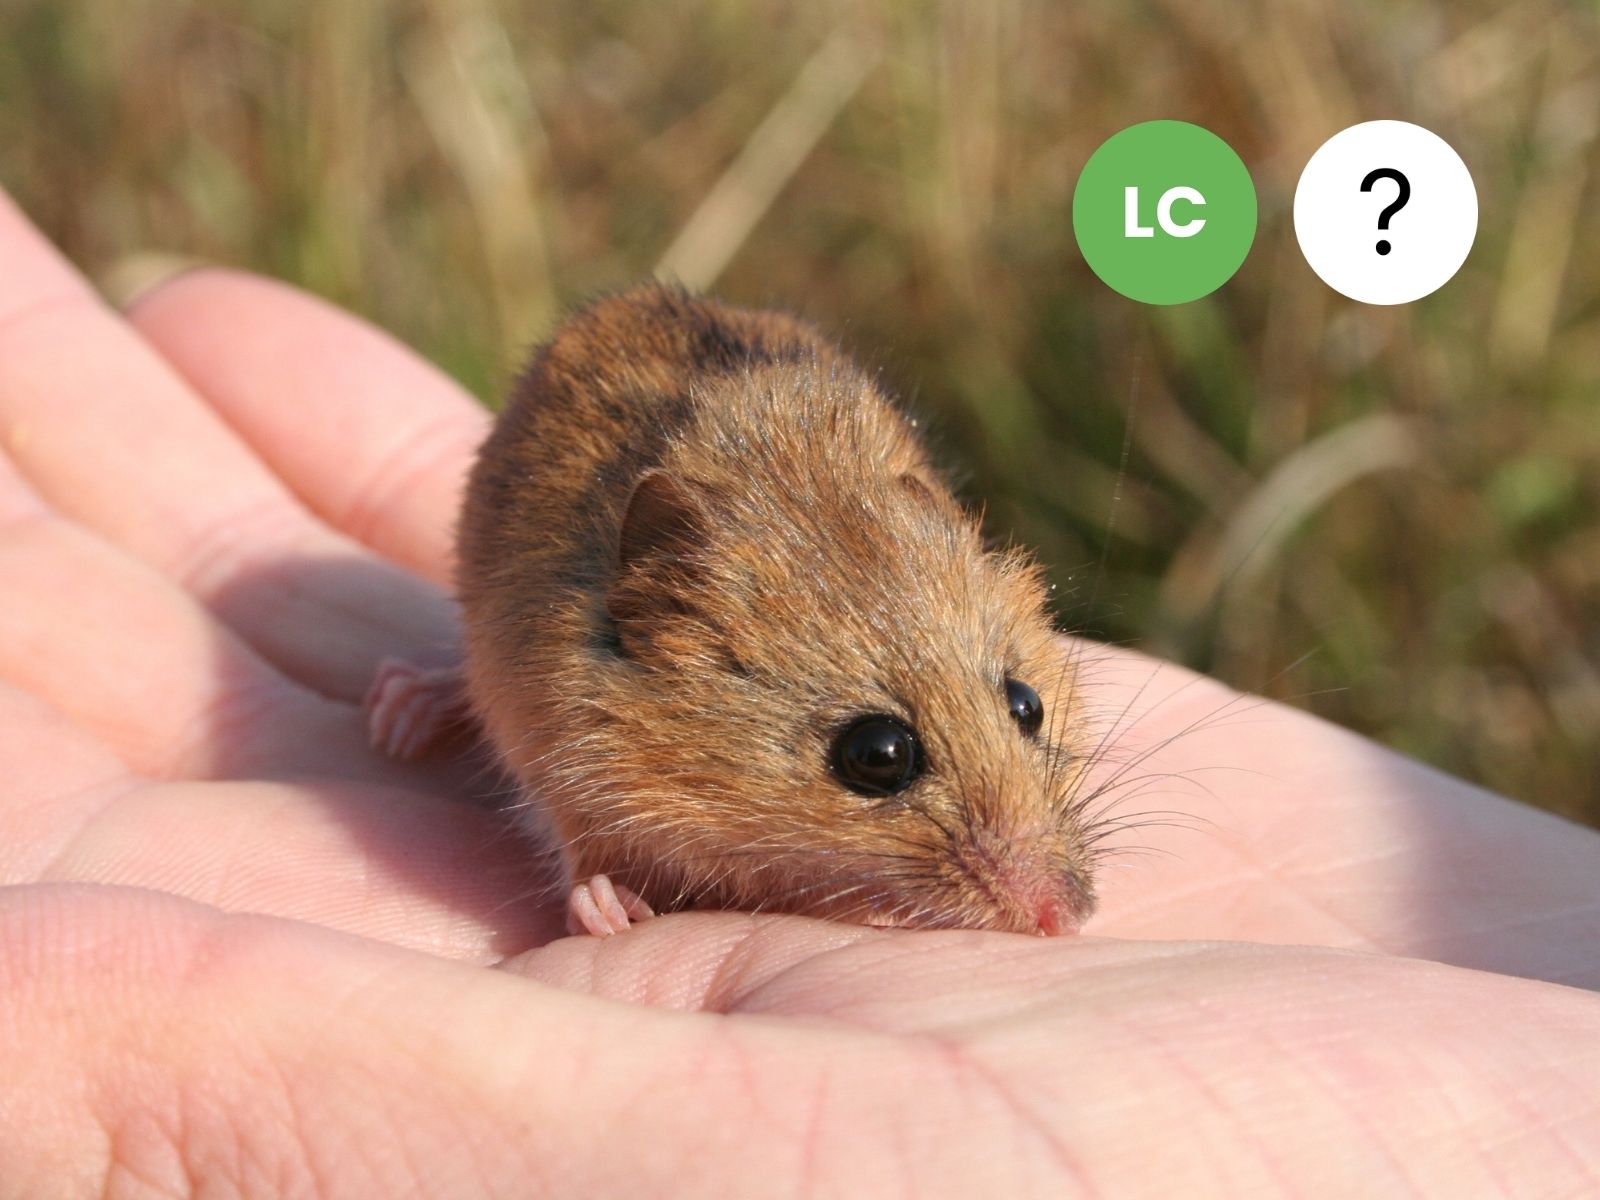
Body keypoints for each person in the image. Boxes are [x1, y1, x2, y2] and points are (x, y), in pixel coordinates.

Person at [0, 184, 1596, 1197]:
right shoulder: (629, 661)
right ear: (670, 641)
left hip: (802, 442)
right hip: (627, 505)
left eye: (1025, 712)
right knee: (501, 670)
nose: (1012, 817)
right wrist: (587, 852)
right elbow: (574, 715)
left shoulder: (922, 541)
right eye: (880, 756)